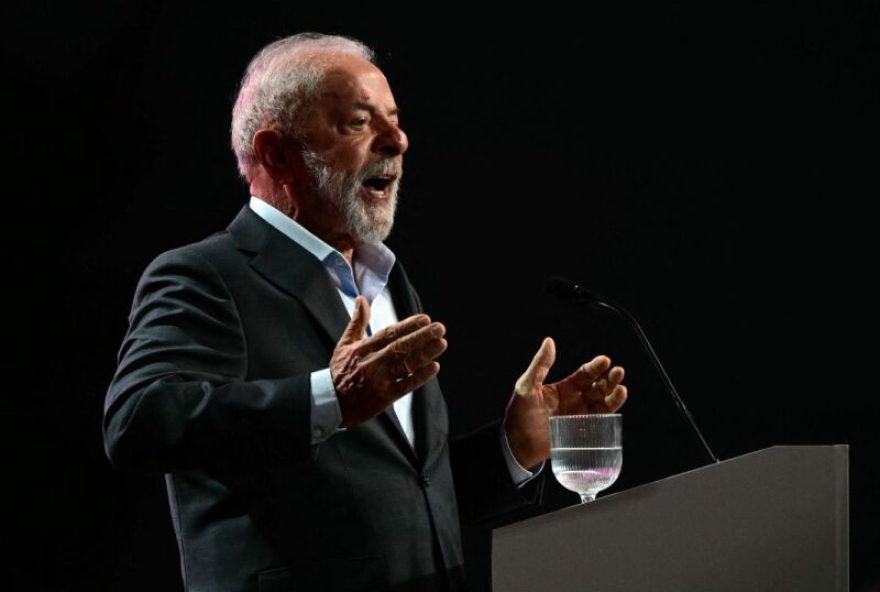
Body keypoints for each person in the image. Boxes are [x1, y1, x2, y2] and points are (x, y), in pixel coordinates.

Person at [103, 32, 627, 592]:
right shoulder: (206, 275)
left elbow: (408, 494)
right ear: (277, 152)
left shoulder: (388, 279)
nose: (398, 139)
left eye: (395, 119)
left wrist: (513, 447)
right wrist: (331, 397)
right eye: (358, 122)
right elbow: (136, 420)